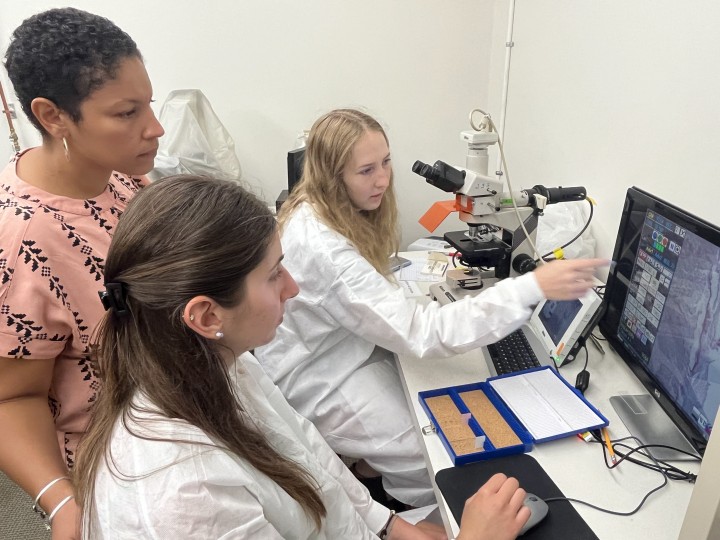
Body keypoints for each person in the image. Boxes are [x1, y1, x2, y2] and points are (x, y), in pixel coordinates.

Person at [73, 174, 532, 539]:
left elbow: (304, 450)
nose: (293, 288)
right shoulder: (186, 497)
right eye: (274, 275)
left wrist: (387, 525)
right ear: (207, 314)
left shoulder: (222, 363)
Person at [255, 108, 606, 507]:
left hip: (341, 350)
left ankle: (371, 467)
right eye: (366, 170)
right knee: (433, 452)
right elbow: (421, 333)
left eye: (386, 162)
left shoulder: (320, 209)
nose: (383, 179)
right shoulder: (324, 247)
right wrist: (531, 286)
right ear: (332, 177)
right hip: (320, 379)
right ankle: (413, 513)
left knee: (436, 395)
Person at [0, 8, 163, 538]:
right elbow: (13, 398)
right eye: (127, 113)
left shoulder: (127, 182)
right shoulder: (23, 240)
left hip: (174, 413)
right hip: (118, 464)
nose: (154, 128)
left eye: (150, 105)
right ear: (53, 116)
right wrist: (62, 502)